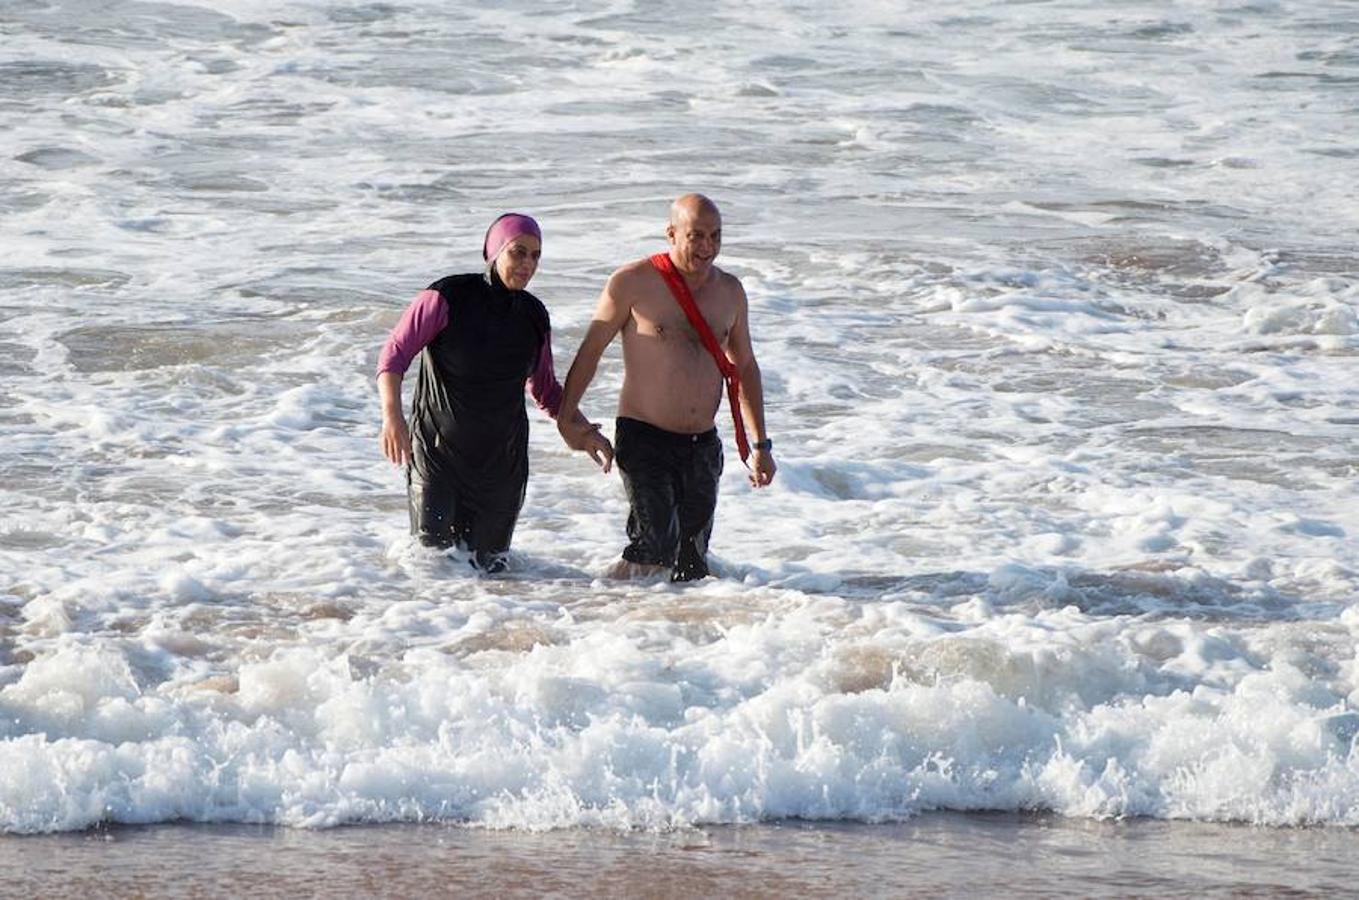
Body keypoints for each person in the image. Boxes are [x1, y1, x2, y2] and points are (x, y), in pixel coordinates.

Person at [556, 193, 776, 581]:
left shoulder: (730, 292)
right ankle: (600, 604)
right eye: (696, 236)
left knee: (691, 566)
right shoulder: (631, 283)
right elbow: (590, 352)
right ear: (671, 234)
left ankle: (668, 634)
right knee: (655, 548)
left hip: (702, 445)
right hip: (644, 438)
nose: (707, 247)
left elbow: (745, 367)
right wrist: (567, 419)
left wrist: (760, 446)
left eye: (715, 236)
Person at [376, 213, 609, 573]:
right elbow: (394, 355)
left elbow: (546, 390)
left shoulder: (533, 315)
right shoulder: (446, 297)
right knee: (433, 569)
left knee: (493, 577)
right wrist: (392, 416)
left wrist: (583, 430)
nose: (527, 264)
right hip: (439, 460)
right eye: (518, 252)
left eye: (535, 256)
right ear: (494, 251)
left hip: (503, 467)